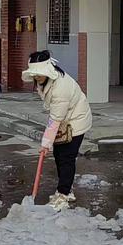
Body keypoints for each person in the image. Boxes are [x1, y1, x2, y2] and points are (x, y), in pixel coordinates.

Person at [22, 51, 92, 210]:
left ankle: (63, 194)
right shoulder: (44, 81)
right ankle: (67, 189)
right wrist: (49, 142)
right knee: (59, 155)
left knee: (66, 157)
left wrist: (45, 143)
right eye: (35, 74)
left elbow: (55, 119)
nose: (37, 77)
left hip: (76, 121)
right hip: (63, 120)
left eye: (39, 74)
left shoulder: (61, 86)